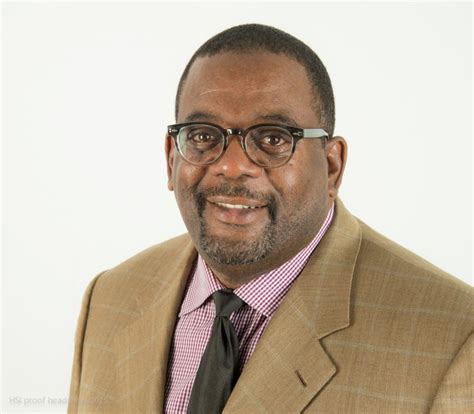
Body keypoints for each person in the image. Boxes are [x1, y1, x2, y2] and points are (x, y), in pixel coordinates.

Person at [67, 24, 473, 413]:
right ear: (172, 158)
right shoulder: (110, 300)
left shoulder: (453, 340)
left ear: (332, 167)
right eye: (204, 135)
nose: (232, 166)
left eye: (273, 138)